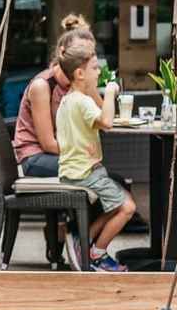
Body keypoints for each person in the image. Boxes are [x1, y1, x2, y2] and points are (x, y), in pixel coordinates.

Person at [54, 41, 135, 272]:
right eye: (95, 68)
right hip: (85, 173)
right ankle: (97, 255)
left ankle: (82, 237)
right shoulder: (82, 101)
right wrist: (109, 92)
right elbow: (107, 122)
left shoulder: (69, 100)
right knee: (127, 207)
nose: (99, 72)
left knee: (116, 201)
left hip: (74, 170)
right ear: (80, 73)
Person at [11, 14, 97, 177]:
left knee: (111, 177)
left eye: (90, 56)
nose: (85, 61)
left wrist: (91, 85)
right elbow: (48, 144)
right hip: (34, 158)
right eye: (80, 55)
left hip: (59, 155)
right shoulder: (42, 86)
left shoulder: (76, 84)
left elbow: (103, 121)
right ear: (62, 52)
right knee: (95, 173)